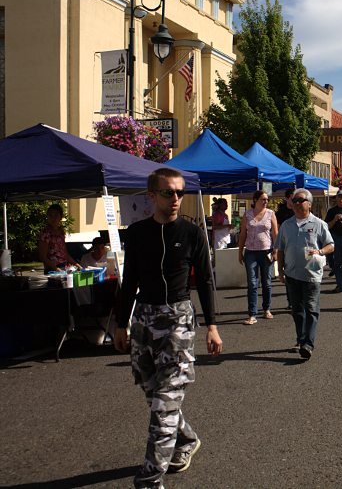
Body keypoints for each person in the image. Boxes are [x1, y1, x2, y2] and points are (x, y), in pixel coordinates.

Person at [113, 168, 222, 489]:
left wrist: (212, 326)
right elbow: (129, 281)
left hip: (178, 321)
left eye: (179, 192)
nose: (175, 198)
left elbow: (205, 281)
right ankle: (186, 439)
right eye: (168, 192)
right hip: (143, 322)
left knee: (165, 402)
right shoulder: (136, 233)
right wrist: (120, 324)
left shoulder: (192, 233)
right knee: (154, 396)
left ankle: (149, 479)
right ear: (152, 196)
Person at [276, 188, 334, 359]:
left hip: (312, 274)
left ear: (309, 204)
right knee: (297, 310)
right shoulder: (286, 225)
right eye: (294, 200)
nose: (296, 203)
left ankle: (307, 344)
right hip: (292, 273)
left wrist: (320, 252)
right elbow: (280, 249)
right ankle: (301, 339)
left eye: (300, 200)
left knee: (311, 308)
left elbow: (331, 245)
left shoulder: (319, 224)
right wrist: (280, 270)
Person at [238, 190, 278, 324]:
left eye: (267, 199)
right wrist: (240, 251)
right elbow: (242, 234)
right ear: (255, 200)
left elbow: (275, 234)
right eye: (263, 199)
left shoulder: (271, 214)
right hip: (251, 252)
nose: (266, 201)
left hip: (267, 251)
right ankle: (252, 314)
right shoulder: (247, 214)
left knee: (266, 282)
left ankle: (266, 308)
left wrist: (276, 251)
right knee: (252, 283)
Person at [39, 203, 80, 271]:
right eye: (50, 215)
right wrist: (58, 270)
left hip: (64, 266)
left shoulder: (61, 231)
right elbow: (43, 257)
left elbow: (65, 253)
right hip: (52, 269)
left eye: (56, 215)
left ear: (61, 217)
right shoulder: (45, 232)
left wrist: (77, 266)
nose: (53, 218)